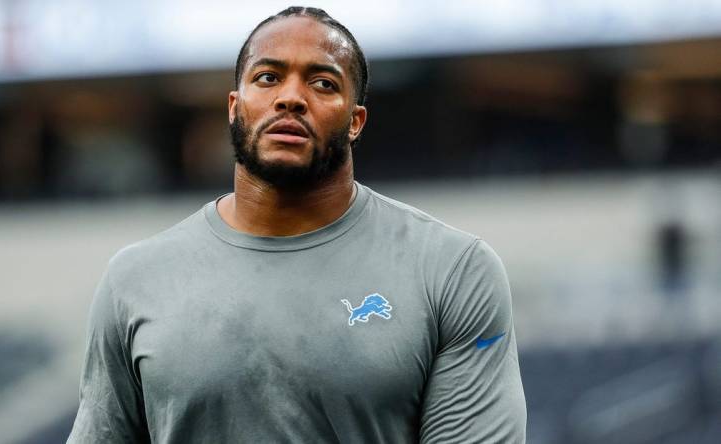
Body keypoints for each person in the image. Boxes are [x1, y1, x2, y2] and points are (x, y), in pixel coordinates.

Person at [67, 6, 526, 443]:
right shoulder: (135, 280)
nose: (290, 97)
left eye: (323, 83)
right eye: (267, 78)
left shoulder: (452, 270)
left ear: (355, 121)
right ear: (234, 106)